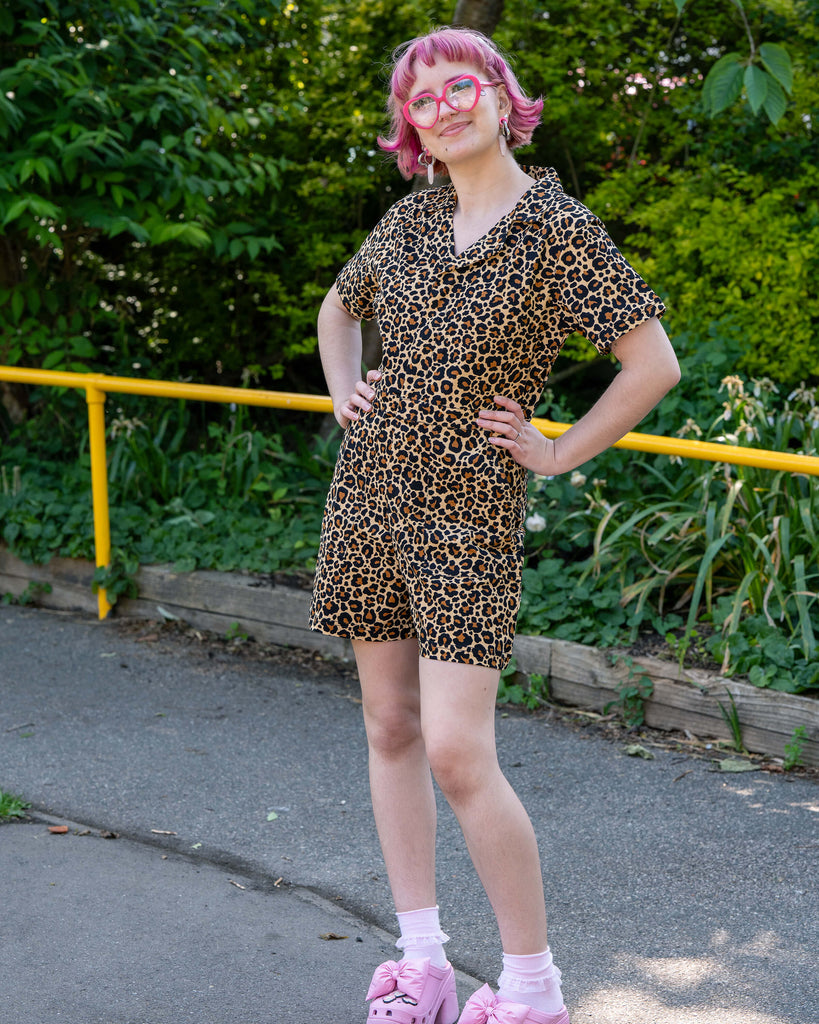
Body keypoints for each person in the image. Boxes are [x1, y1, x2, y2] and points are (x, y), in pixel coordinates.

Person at [309, 26, 680, 1024]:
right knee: (389, 726)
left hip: (469, 512)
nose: (441, 106)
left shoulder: (557, 226)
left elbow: (653, 365)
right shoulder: (409, 221)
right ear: (411, 132)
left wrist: (558, 449)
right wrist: (346, 393)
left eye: (459, 84)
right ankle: (421, 962)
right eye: (420, 101)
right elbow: (337, 311)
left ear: (502, 93)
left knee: (458, 750)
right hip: (369, 498)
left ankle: (531, 989)